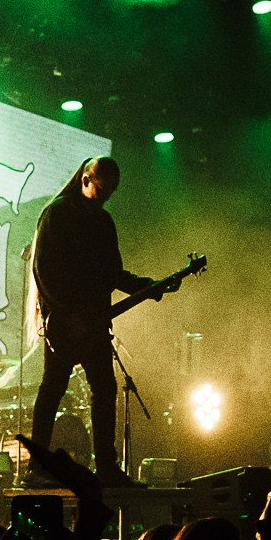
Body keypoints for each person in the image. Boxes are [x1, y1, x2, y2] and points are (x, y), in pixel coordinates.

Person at [27, 157, 164, 466]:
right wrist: (65, 313)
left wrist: (146, 286)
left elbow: (112, 273)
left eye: (110, 192)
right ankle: (37, 466)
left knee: (103, 389)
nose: (105, 197)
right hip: (65, 323)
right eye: (101, 189)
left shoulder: (103, 222)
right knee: (54, 389)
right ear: (85, 180)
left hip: (94, 322)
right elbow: (43, 270)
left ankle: (105, 466)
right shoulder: (57, 214)